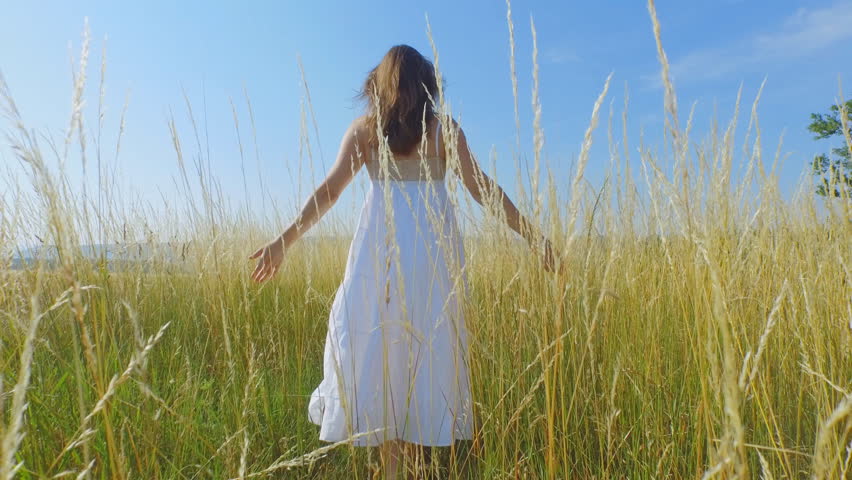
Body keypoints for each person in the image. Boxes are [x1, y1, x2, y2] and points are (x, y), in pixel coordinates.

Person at [250, 44, 556, 478]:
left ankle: (394, 471)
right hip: (428, 263)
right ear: (427, 85)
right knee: (421, 358)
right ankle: (406, 469)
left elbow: (329, 192)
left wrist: (284, 241)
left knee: (383, 357)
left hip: (382, 260)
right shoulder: (440, 130)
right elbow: (484, 190)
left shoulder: (366, 132)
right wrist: (535, 238)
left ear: (378, 85)